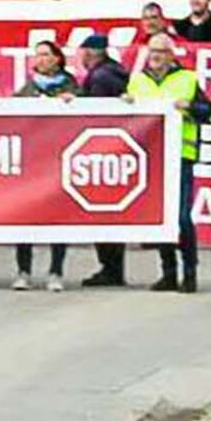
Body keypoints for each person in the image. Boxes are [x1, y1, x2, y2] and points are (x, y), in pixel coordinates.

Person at [129, 33, 210, 292]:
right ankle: (168, 272)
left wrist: (189, 106)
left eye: (161, 51)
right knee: (161, 217)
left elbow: (207, 111)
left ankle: (189, 272)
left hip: (180, 156)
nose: (156, 55)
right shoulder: (138, 81)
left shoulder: (187, 79)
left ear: (171, 55)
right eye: (152, 50)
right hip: (151, 158)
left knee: (182, 217)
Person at [12, 41, 74, 291]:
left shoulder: (71, 86)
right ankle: (23, 270)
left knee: (58, 219)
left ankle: (56, 270)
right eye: (37, 55)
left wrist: (73, 102)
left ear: (57, 59)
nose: (41, 59)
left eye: (46, 54)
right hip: (32, 161)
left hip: (59, 160)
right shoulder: (28, 88)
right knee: (25, 217)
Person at [77, 35, 132, 287]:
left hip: (102, 149)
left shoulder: (100, 78)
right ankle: (114, 268)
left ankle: (110, 268)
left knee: (101, 211)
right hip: (118, 148)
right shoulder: (117, 73)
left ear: (92, 53)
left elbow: (94, 114)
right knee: (112, 211)